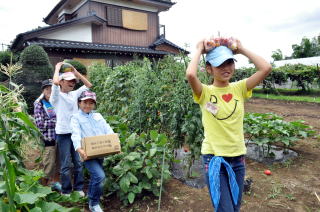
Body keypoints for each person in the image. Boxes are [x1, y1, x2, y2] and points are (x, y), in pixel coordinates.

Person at [186, 37, 272, 212]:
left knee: (235, 206)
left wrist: (241, 49)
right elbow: (190, 75)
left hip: (238, 158)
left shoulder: (239, 88)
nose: (226, 68)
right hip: (215, 159)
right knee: (225, 209)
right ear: (209, 69)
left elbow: (266, 68)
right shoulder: (205, 92)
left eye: (229, 62)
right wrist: (199, 50)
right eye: (219, 65)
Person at [50, 62, 92, 196]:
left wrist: (75, 72)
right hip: (63, 134)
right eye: (69, 81)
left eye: (73, 81)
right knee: (65, 164)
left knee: (78, 163)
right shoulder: (55, 96)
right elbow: (55, 82)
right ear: (62, 82)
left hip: (75, 133)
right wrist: (57, 68)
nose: (72, 83)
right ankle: (66, 190)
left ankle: (79, 189)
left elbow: (88, 85)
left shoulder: (74, 94)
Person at [71, 90, 114, 212]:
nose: (87, 105)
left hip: (100, 152)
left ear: (94, 105)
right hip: (87, 154)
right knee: (100, 176)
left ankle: (91, 197)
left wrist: (115, 142)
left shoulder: (98, 116)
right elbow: (75, 134)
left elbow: (107, 129)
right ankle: (94, 204)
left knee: (95, 177)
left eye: (91, 103)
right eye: (85, 102)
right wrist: (79, 148)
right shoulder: (75, 118)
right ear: (79, 103)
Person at [34, 79, 61, 191]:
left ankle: (55, 183)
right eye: (46, 88)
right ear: (43, 90)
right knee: (48, 163)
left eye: (51, 88)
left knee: (58, 162)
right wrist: (57, 121)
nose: (49, 90)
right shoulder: (39, 103)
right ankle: (43, 188)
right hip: (48, 138)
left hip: (60, 136)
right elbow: (40, 124)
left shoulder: (57, 101)